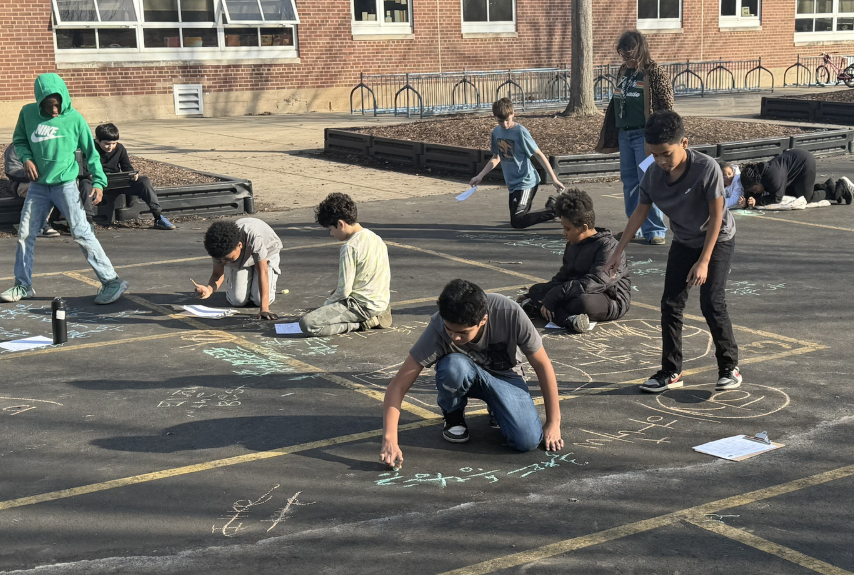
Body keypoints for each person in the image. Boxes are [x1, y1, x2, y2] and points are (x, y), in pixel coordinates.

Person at [605, 110, 741, 393]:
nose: (660, 161)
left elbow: (717, 216)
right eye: (654, 155)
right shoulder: (653, 174)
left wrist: (704, 261)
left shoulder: (707, 168)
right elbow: (640, 213)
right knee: (671, 304)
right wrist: (618, 250)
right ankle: (671, 371)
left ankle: (729, 367)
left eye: (666, 154)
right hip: (683, 240)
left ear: (684, 143)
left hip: (716, 239)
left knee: (711, 303)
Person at [380, 279, 564, 468]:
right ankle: (453, 416)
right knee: (453, 366)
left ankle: (497, 407)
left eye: (463, 333)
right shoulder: (438, 326)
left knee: (527, 441)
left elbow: (543, 365)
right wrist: (390, 439)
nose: (455, 337)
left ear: (483, 319)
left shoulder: (509, 312)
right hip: (463, 373)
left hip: (506, 377)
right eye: (449, 330)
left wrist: (553, 422)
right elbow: (398, 385)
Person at [1, 73, 128, 305]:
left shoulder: (75, 118)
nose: (55, 110)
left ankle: (112, 281)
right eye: (49, 105)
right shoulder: (28, 114)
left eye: (58, 104)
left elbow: (91, 153)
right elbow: (19, 140)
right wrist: (27, 158)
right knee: (25, 235)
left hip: (65, 185)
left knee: (81, 232)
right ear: (40, 101)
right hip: (39, 186)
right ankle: (23, 285)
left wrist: (99, 181)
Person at [596, 30, 672, 246]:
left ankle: (655, 229)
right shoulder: (623, 71)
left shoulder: (654, 72)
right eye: (623, 56)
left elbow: (667, 105)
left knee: (647, 179)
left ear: (640, 52)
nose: (626, 60)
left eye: (630, 56)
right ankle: (634, 227)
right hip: (625, 135)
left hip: (645, 137)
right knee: (629, 181)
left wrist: (660, 136)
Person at [521, 189, 631, 333]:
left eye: (567, 229)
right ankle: (569, 320)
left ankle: (541, 310)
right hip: (576, 290)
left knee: (580, 303)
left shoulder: (608, 246)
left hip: (608, 297)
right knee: (537, 290)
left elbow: (597, 282)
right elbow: (564, 275)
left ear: (583, 228)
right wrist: (548, 292)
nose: (564, 233)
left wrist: (555, 295)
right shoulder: (573, 243)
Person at [299, 192, 392, 336]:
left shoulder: (350, 247)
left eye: (331, 229)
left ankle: (365, 323)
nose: (331, 234)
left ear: (341, 224)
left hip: (361, 306)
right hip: (381, 303)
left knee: (308, 324)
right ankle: (376, 315)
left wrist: (326, 307)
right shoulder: (376, 238)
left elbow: (344, 291)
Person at [470, 97, 566, 229]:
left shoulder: (520, 132)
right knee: (519, 217)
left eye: (507, 120)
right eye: (500, 121)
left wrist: (553, 179)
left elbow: (538, 154)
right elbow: (496, 157)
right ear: (495, 118)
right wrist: (480, 176)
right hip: (512, 184)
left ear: (513, 114)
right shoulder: (496, 132)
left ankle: (560, 211)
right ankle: (552, 206)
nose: (504, 124)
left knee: (518, 221)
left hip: (525, 182)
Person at [93, 123, 176, 230]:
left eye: (114, 143)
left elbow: (126, 167)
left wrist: (132, 174)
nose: (111, 147)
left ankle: (158, 216)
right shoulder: (91, 149)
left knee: (144, 181)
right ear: (97, 140)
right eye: (107, 144)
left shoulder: (120, 148)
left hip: (117, 180)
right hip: (98, 182)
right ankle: (88, 221)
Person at [197, 218, 282, 319]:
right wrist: (209, 289)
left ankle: (252, 278)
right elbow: (217, 274)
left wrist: (264, 309)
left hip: (268, 253)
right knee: (237, 300)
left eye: (228, 259)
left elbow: (262, 272)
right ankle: (246, 273)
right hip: (242, 258)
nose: (224, 262)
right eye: (221, 260)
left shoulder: (254, 238)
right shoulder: (218, 248)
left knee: (259, 300)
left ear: (239, 245)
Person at [740, 149, 852, 206]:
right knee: (792, 193)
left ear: (757, 182)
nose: (754, 193)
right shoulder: (758, 174)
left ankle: (838, 188)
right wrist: (746, 201)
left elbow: (776, 198)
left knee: (805, 199)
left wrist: (757, 202)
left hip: (805, 163)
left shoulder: (773, 177)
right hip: (791, 168)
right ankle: (827, 186)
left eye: (754, 190)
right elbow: (753, 190)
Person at [4, 144, 59, 237]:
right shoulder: (15, 147)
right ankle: (40, 224)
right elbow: (12, 171)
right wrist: (33, 175)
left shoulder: (47, 144)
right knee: (41, 189)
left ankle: (73, 222)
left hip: (49, 180)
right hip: (22, 183)